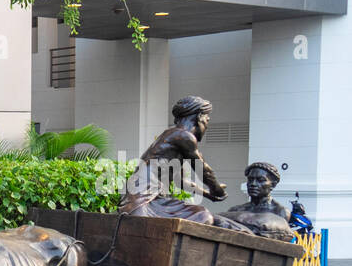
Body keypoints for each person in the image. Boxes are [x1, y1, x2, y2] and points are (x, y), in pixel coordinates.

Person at [120, 96, 250, 232]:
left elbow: (180, 181)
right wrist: (217, 190)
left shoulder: (173, 136)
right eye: (207, 119)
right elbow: (204, 170)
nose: (207, 124)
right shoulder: (183, 136)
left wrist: (207, 194)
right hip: (144, 200)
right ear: (200, 116)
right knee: (202, 215)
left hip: (150, 198)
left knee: (201, 215)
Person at [217, 161, 295, 240]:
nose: (253, 184)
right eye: (250, 179)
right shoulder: (236, 210)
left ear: (273, 185)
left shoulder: (280, 211)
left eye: (260, 180)